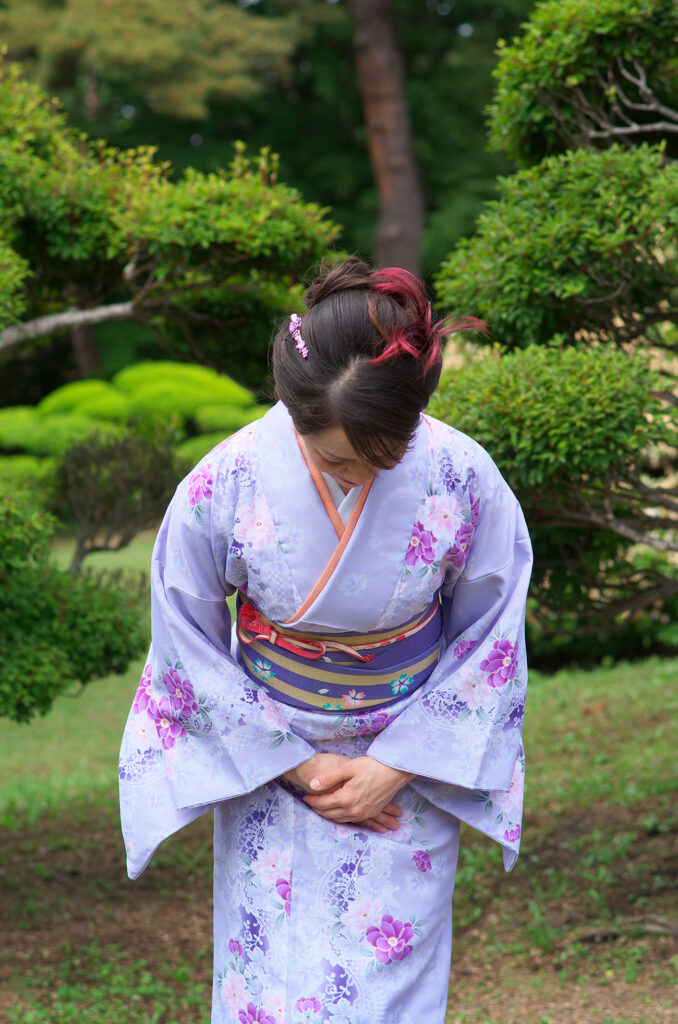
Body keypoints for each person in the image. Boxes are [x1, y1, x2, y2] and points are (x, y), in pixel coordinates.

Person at [119, 258, 532, 1024]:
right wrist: (298, 763)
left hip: (405, 769)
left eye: (382, 456)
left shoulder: (462, 474)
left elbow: (491, 634)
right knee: (268, 983)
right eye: (336, 457)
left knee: (392, 981)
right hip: (272, 767)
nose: (360, 474)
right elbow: (186, 641)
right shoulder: (229, 478)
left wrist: (395, 765)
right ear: (292, 405)